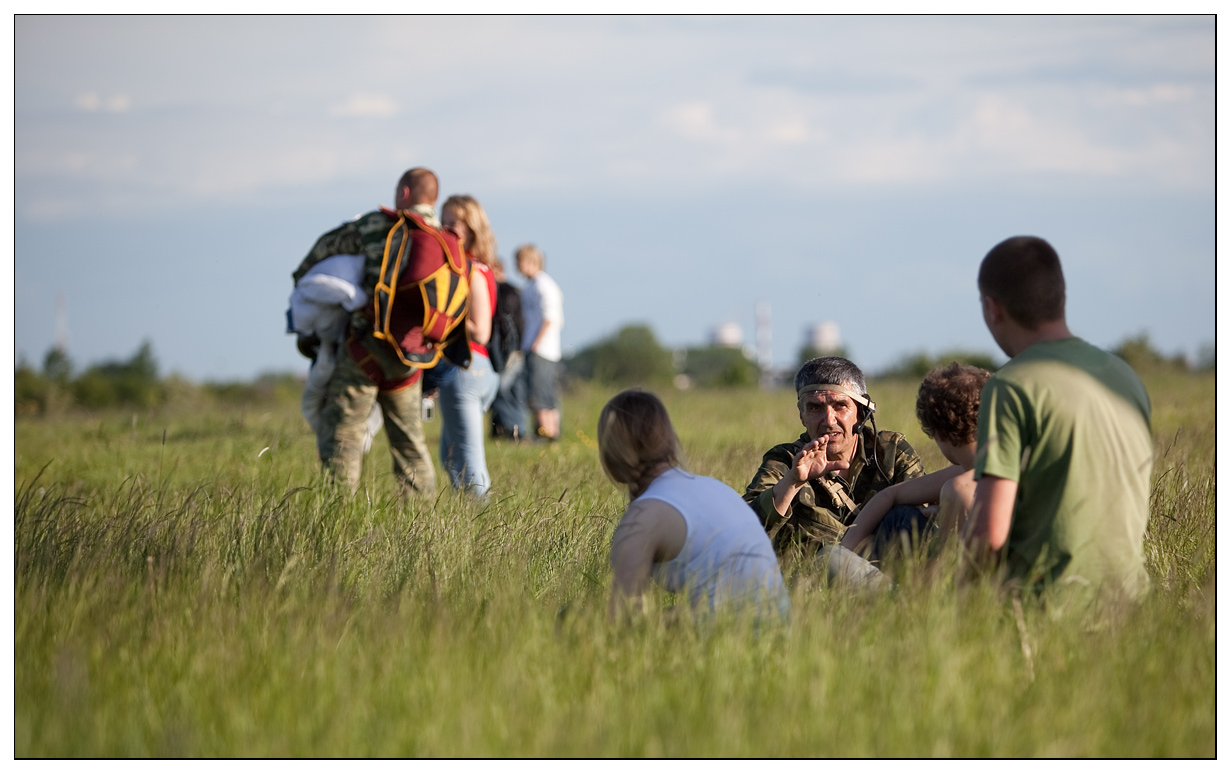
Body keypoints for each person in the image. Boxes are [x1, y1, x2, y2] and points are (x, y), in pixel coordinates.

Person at [967, 236, 1153, 599]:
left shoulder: (1011, 386)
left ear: (992, 308)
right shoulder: (1125, 376)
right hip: (1130, 606)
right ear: (1060, 297)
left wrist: (954, 611)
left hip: (1045, 609)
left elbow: (989, 537)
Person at [291, 167, 458, 495]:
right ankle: (420, 521)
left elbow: (317, 256)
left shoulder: (377, 225)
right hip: (412, 358)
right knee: (410, 444)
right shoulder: (447, 240)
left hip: (365, 349)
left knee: (343, 436)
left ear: (404, 194)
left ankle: (338, 514)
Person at [601, 389, 789, 620]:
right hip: (780, 626)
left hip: (731, 635)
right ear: (668, 440)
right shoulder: (716, 488)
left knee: (570, 620)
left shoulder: (640, 519)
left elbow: (623, 618)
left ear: (611, 455)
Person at [743, 356, 925, 558]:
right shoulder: (786, 460)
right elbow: (744, 532)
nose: (829, 420)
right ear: (801, 415)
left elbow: (927, 515)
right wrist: (792, 481)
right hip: (815, 580)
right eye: (815, 408)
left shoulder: (890, 452)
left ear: (862, 411)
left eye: (840, 406)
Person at [840, 361, 991, 558]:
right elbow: (890, 495)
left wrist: (843, 556)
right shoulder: (1006, 463)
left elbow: (943, 577)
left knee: (899, 517)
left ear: (939, 433)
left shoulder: (958, 488)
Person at [437, 194, 500, 496]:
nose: (446, 230)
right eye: (444, 222)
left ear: (472, 229)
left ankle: (484, 530)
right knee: (450, 456)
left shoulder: (470, 270)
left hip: (465, 367)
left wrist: (441, 316)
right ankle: (468, 525)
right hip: (475, 369)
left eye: (454, 224)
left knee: (468, 461)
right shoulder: (480, 268)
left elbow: (481, 330)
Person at [515, 244, 564, 441]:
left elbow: (549, 318)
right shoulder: (530, 286)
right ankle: (550, 433)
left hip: (541, 349)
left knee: (539, 393)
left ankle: (546, 434)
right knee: (544, 392)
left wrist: (535, 343)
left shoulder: (544, 286)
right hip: (538, 347)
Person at [489, 257, 530, 440]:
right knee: (513, 392)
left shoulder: (504, 292)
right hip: (515, 349)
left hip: (509, 350)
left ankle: (516, 431)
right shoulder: (515, 291)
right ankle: (506, 429)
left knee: (500, 390)